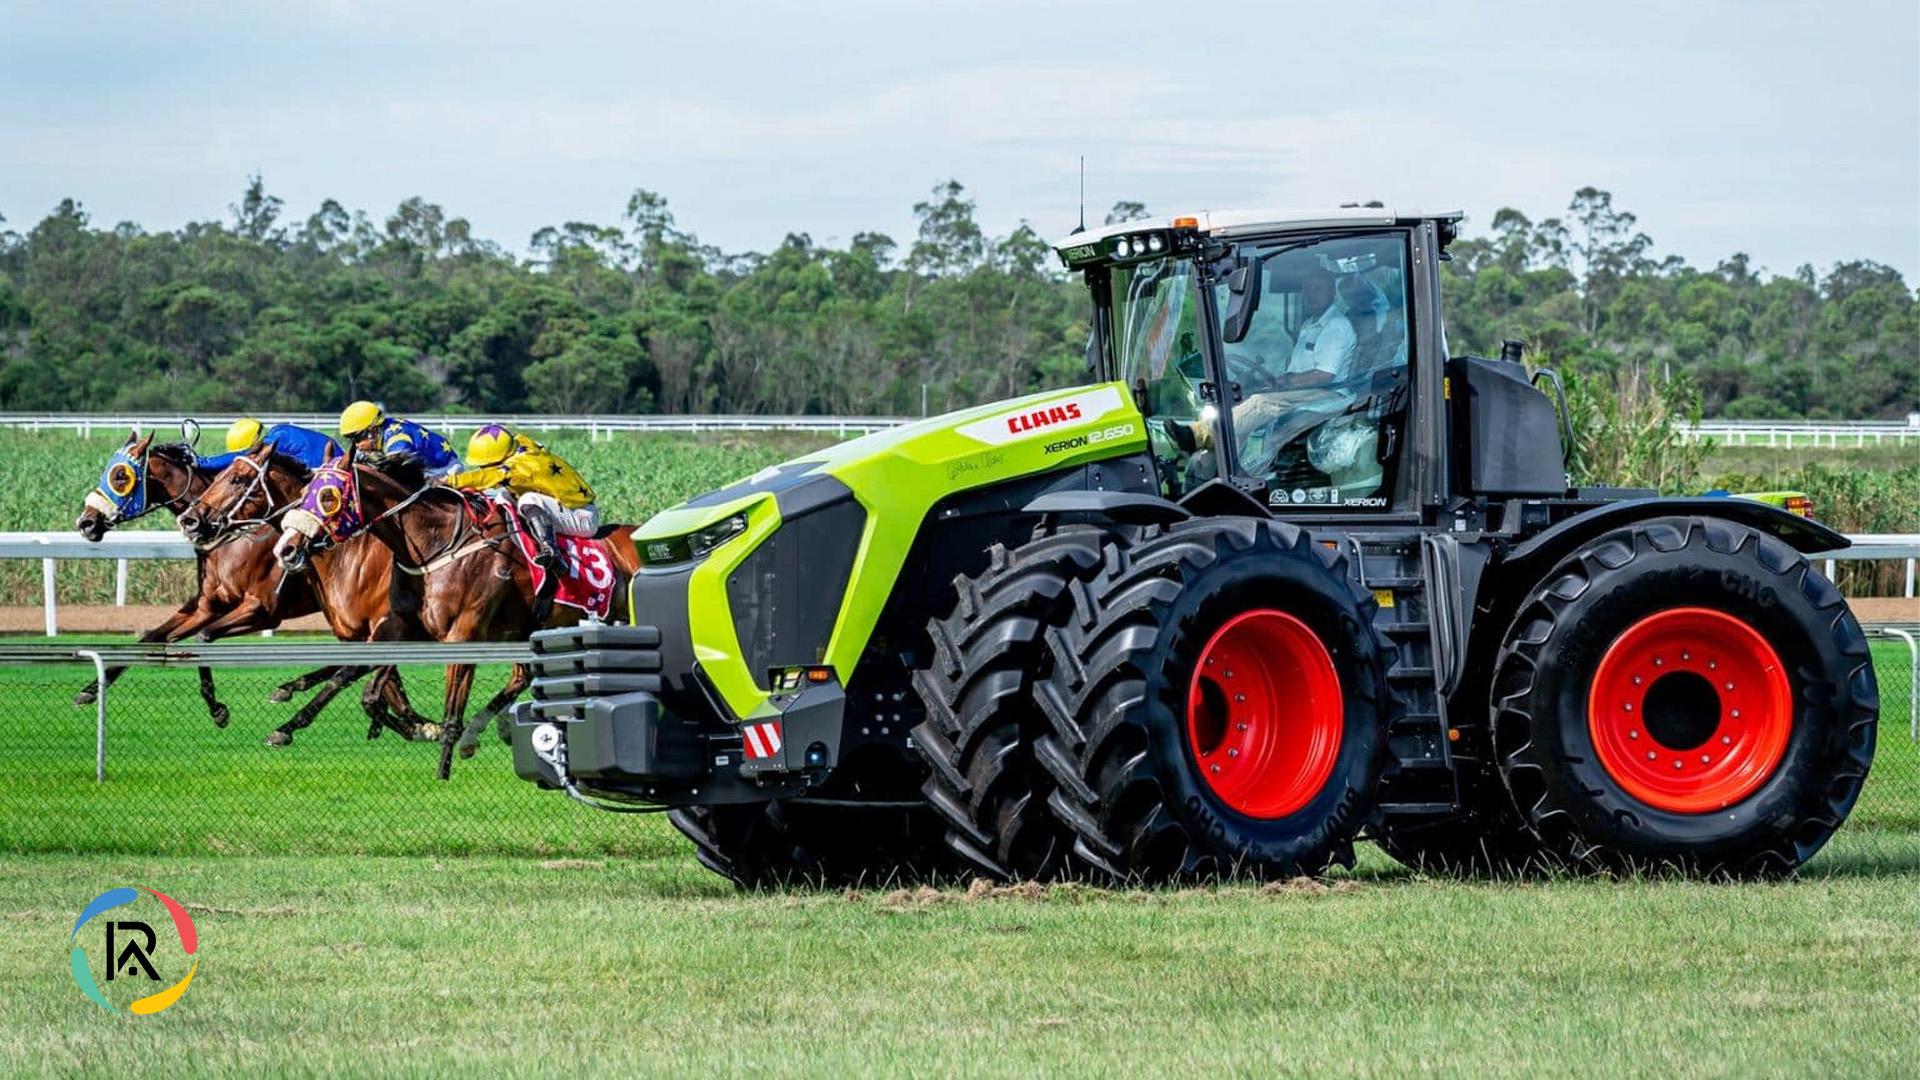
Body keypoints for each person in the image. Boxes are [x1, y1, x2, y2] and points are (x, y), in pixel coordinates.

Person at [444, 424, 599, 580]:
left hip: (583, 517)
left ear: (501, 457)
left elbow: (489, 476)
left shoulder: (523, 466)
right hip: (563, 507)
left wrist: (451, 481)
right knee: (501, 497)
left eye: (485, 465)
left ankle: (552, 553)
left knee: (528, 499)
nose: (482, 468)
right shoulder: (517, 447)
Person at [337, 401, 459, 478]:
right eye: (352, 440)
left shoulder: (397, 439)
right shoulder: (381, 432)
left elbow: (393, 474)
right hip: (425, 468)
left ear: (373, 431)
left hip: (445, 469)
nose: (357, 445)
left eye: (358, 438)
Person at [199, 417, 341, 471]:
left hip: (331, 474)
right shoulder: (280, 431)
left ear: (254, 443)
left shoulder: (278, 438)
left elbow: (239, 456)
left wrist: (203, 462)